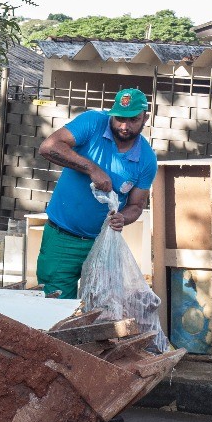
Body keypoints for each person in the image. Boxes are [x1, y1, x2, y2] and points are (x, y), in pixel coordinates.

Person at [36, 88, 159, 301]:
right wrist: (91, 169)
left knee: (100, 311)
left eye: (132, 120)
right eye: (119, 118)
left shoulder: (147, 160)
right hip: (62, 237)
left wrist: (123, 218)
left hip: (103, 244)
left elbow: (136, 206)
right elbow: (49, 147)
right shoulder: (93, 122)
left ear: (145, 118)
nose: (124, 126)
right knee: (54, 307)